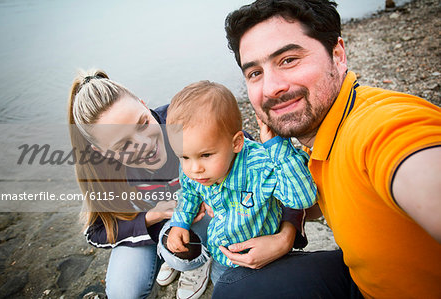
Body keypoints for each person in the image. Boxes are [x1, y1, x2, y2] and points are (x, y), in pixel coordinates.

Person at [212, 0, 441, 298]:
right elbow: (316, 199)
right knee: (233, 286)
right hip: (363, 280)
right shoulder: (319, 135)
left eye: (288, 60)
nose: (270, 88)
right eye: (255, 73)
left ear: (337, 54)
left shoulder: (381, 127)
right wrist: (286, 232)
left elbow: (415, 160)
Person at [68, 69, 308, 298]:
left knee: (188, 239)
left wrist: (285, 237)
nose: (144, 144)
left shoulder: (187, 123)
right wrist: (151, 216)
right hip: (158, 226)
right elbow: (97, 231)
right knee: (124, 291)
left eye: (142, 123)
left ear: (143, 105)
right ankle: (184, 258)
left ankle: (199, 257)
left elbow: (266, 170)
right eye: (122, 145)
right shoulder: (104, 170)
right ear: (102, 151)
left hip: (211, 218)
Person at [160, 81, 317, 284]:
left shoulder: (260, 166)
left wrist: (278, 148)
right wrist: (180, 222)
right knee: (222, 286)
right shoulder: (193, 169)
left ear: (236, 143)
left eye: (206, 155)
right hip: (224, 253)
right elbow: (189, 194)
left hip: (267, 252)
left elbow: (303, 198)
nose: (194, 168)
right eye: (184, 157)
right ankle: (207, 269)